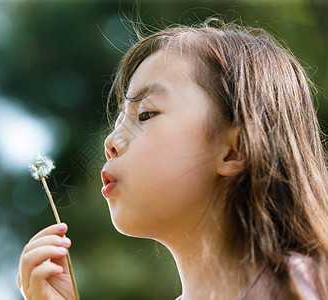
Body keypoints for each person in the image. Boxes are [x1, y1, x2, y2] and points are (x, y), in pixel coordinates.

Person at [17, 18, 328, 299]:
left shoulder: (302, 284)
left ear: (236, 149)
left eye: (146, 114)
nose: (110, 142)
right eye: (118, 122)